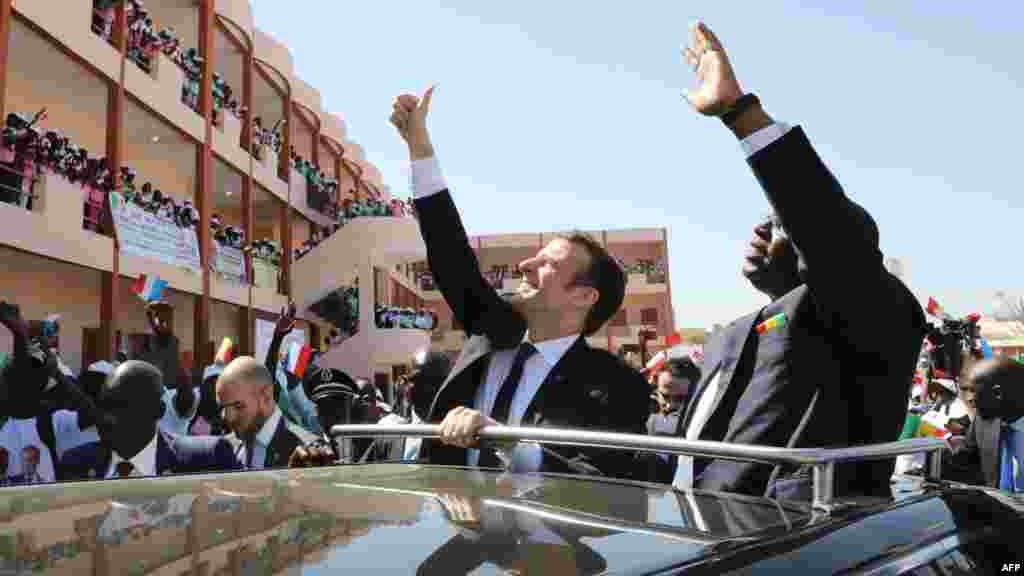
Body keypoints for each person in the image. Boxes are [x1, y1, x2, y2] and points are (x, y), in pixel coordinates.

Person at [671, 22, 926, 500]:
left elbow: (828, 230)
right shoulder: (735, 333)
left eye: (782, 224)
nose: (761, 231)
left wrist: (741, 115)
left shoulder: (875, 311)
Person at [388, 89, 650, 479]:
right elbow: (450, 253)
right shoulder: (494, 329)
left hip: (543, 537)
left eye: (547, 264)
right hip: (458, 531)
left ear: (583, 296)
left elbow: (605, 478)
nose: (525, 265)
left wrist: (510, 444)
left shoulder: (618, 385)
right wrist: (419, 148)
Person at [60, 360, 241, 480]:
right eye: (105, 405)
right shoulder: (75, 463)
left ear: (158, 411)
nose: (107, 417)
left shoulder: (206, 458)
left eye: (122, 405)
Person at [216, 356, 317, 470]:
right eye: (223, 407)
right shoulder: (224, 449)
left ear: (266, 396)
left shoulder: (309, 450)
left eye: (238, 406)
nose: (228, 417)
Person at [947, 359, 1024, 490]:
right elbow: (961, 461)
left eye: (973, 391)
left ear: (997, 393)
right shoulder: (983, 422)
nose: (968, 399)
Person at [644, 358, 700, 483]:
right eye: (665, 396)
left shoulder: (695, 425)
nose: (670, 405)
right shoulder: (644, 413)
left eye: (680, 399)